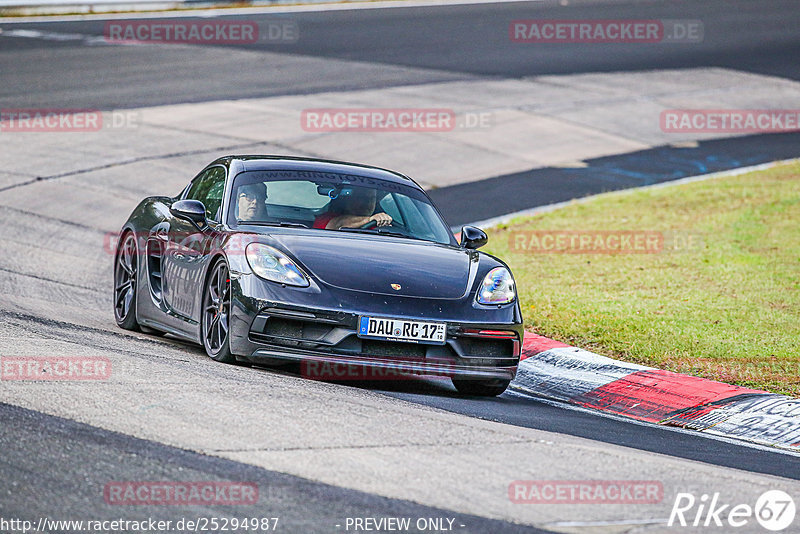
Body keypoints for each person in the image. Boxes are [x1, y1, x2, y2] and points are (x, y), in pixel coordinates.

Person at [313, 186, 392, 230]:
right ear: (348, 199)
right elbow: (339, 223)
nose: (367, 203)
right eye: (361, 198)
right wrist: (370, 220)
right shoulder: (325, 218)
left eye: (371, 198)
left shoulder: (379, 225)